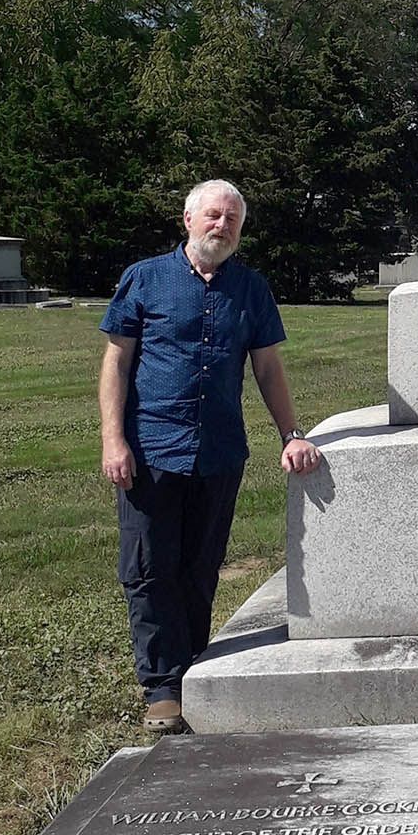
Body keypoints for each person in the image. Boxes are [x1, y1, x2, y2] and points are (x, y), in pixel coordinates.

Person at [98, 179, 320, 733]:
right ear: (189, 220)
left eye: (233, 220)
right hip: (150, 450)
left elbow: (267, 369)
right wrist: (113, 439)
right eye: (213, 216)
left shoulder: (251, 289)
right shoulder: (145, 279)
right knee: (150, 569)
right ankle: (161, 687)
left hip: (219, 453)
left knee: (199, 566)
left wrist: (291, 433)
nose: (222, 226)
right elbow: (116, 364)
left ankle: (191, 662)